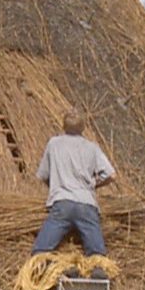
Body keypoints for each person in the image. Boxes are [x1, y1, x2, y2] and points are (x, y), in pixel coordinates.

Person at [32, 112, 115, 269]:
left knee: (41, 250)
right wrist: (94, 186)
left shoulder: (54, 144)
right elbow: (111, 175)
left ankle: (48, 271)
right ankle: (98, 272)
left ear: (63, 126)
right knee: (98, 253)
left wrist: (56, 187)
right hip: (87, 205)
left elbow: (42, 175)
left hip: (62, 204)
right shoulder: (92, 147)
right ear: (83, 128)